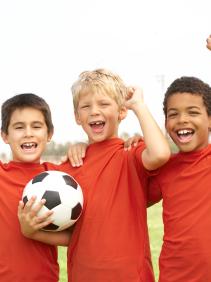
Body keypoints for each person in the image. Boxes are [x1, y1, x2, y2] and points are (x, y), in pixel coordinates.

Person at [18, 68, 171, 282]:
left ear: (122, 112)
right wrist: (31, 232)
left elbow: (161, 153)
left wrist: (138, 105)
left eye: (104, 104)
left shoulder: (130, 155)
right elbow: (73, 236)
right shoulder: (67, 172)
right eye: (86, 106)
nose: (94, 111)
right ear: (77, 117)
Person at [147, 75, 211, 282]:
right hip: (174, 277)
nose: (182, 119)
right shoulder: (164, 167)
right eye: (173, 114)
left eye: (193, 112)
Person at [0, 93, 62, 282]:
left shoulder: (61, 179)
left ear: (49, 133)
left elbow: (75, 237)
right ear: (5, 136)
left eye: (36, 126)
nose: (28, 133)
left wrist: (33, 232)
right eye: (19, 127)